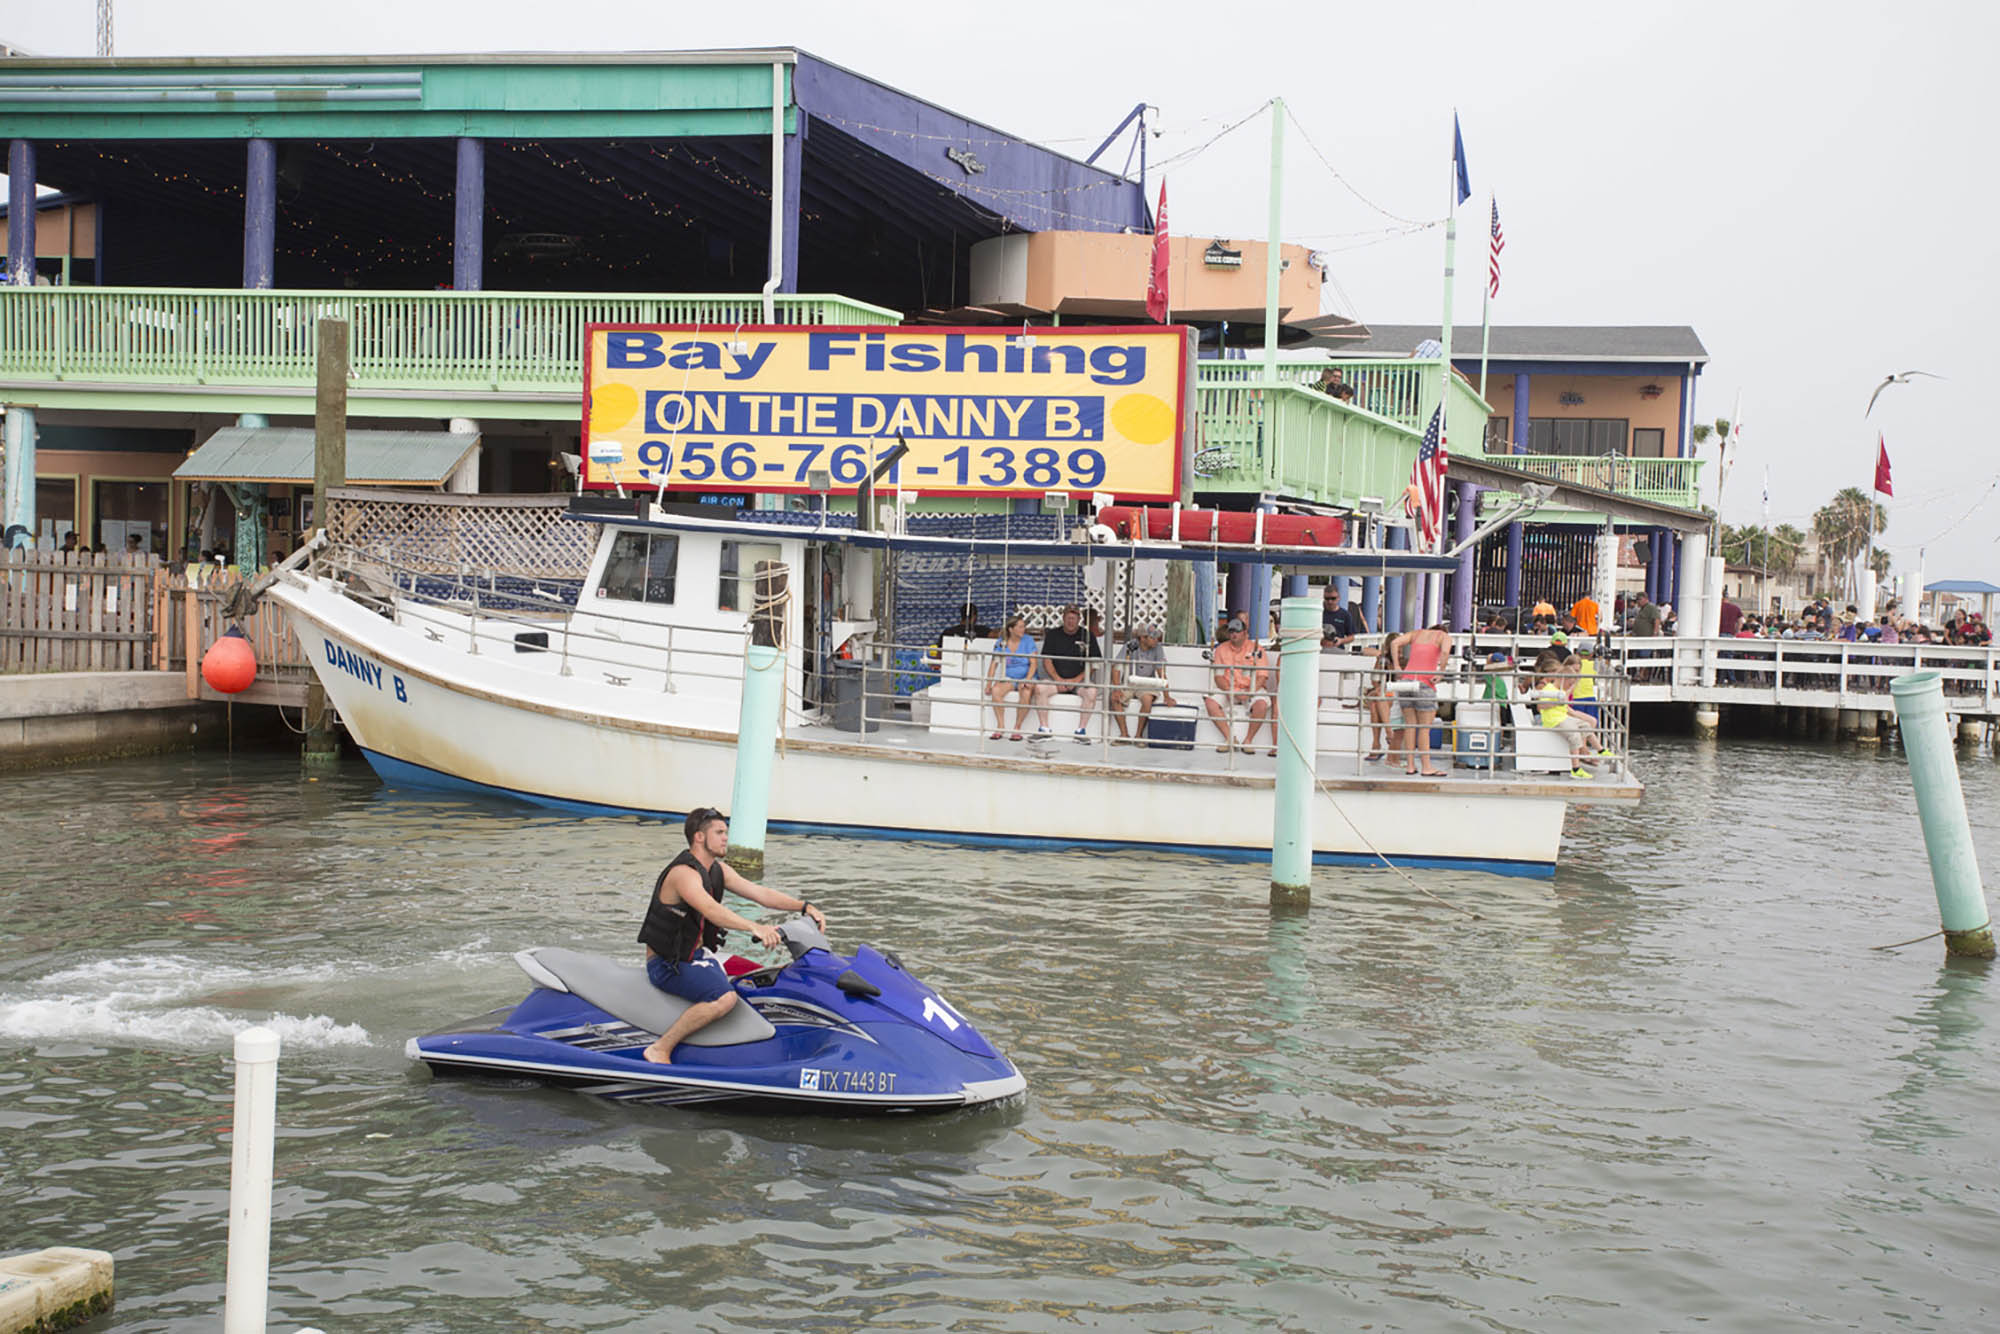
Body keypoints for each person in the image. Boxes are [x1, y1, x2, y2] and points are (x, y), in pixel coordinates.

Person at [638, 807, 826, 1064]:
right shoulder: (683, 874)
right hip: (668, 965)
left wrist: (804, 907)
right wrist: (754, 927)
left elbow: (760, 893)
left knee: (763, 977)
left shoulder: (718, 871)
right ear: (699, 837)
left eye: (726, 832)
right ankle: (661, 1048)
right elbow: (711, 910)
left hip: (699, 955)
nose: (726, 837)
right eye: (719, 832)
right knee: (725, 998)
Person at [1389, 620, 1452, 777]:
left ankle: (1410, 766)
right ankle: (1426, 767)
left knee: (1410, 726)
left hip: (1406, 682)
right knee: (1424, 728)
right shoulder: (1443, 636)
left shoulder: (1417, 633)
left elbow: (1395, 642)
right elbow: (1445, 653)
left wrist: (1397, 666)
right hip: (1424, 682)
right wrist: (1441, 671)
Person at [1205, 616, 1273, 753]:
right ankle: (1230, 738)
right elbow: (1218, 677)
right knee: (1210, 702)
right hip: (1228, 688)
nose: (1233, 634)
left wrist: (1249, 692)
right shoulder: (1220, 650)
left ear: (1245, 633)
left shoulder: (1257, 649)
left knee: (1261, 704)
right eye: (1231, 631)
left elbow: (1262, 677)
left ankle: (1248, 740)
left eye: (1237, 631)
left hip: (1251, 689)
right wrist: (1231, 691)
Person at [1033, 603, 1101, 742]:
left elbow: (1094, 664)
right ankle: (1044, 729)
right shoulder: (1053, 634)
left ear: (1079, 619)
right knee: (1039, 688)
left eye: (1074, 618)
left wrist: (1076, 680)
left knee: (1092, 692)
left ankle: (1080, 731)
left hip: (1079, 683)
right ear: (1063, 618)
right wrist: (1058, 679)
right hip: (1056, 681)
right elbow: (1047, 660)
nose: (1071, 621)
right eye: (1068, 618)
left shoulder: (1088, 636)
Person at [1528, 669, 1612, 779]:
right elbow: (1541, 706)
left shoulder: (1560, 689)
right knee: (1574, 735)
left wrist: (1573, 685)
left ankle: (1601, 750)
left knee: (1585, 725)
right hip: (1554, 720)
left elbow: (1565, 699)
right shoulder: (1549, 689)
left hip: (1562, 717)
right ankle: (1575, 769)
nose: (1569, 686)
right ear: (1563, 679)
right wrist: (1555, 703)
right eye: (1569, 684)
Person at [1108, 622, 1177, 742]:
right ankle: (1124, 735)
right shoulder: (1130, 645)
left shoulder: (1158, 648)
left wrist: (1167, 696)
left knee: (1147, 700)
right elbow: (1116, 667)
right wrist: (1116, 688)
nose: (1156, 640)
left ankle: (1139, 736)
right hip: (1130, 682)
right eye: (1152, 637)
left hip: (1147, 683)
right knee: (1115, 698)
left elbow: (1162, 672)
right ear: (1142, 638)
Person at [985, 613, 1037, 741]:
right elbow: (994, 664)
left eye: (1023, 626)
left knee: (1025, 692)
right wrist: (988, 684)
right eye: (1019, 627)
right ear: (1011, 629)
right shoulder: (1001, 642)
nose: (1023, 629)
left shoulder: (1028, 640)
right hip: (1009, 678)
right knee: (996, 690)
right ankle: (1000, 726)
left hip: (1027, 676)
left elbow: (1034, 663)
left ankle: (1017, 728)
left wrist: (1027, 679)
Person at [1321, 583, 1369, 648]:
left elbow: (1352, 636)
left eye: (1333, 598)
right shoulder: (1319, 612)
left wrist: (1341, 640)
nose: (1330, 601)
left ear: (1338, 598)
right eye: (1327, 598)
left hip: (1337, 649)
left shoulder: (1345, 614)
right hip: (1318, 649)